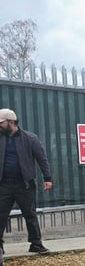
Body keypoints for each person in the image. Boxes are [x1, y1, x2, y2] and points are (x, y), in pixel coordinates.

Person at [0, 108, 53, 254]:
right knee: (0, 215)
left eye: (1, 123)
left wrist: (47, 178)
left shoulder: (30, 138)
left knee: (30, 214)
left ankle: (36, 244)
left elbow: (42, 159)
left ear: (11, 122)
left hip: (24, 184)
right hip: (3, 185)